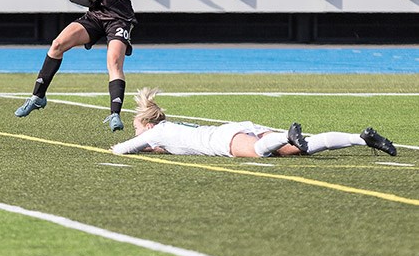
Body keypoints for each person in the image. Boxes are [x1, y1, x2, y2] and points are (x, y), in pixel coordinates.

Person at [14, 0, 160, 131]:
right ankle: (38, 96)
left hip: (119, 19)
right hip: (97, 16)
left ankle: (114, 114)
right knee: (57, 45)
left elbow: (91, 1)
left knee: (114, 62)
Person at [111, 88, 398, 157]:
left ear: (147, 126)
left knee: (260, 152)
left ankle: (287, 134)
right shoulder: (167, 131)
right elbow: (158, 147)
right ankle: (362, 138)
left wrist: (127, 144)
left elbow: (122, 149)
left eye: (137, 127)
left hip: (223, 140)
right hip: (234, 128)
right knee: (303, 148)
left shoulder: (156, 132)